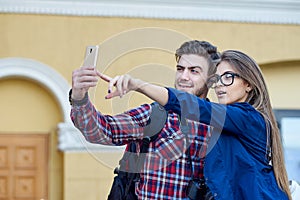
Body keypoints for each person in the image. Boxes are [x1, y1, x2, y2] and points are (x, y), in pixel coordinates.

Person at [103, 50, 292, 199]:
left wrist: (139, 85)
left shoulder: (249, 119)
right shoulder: (226, 124)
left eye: (228, 77)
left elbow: (194, 107)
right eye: (217, 79)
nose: (219, 85)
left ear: (249, 84)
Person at [70, 40, 220, 199]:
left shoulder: (220, 127)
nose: (183, 77)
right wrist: (79, 97)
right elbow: (100, 131)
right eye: (180, 69)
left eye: (193, 71)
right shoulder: (155, 116)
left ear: (211, 80)